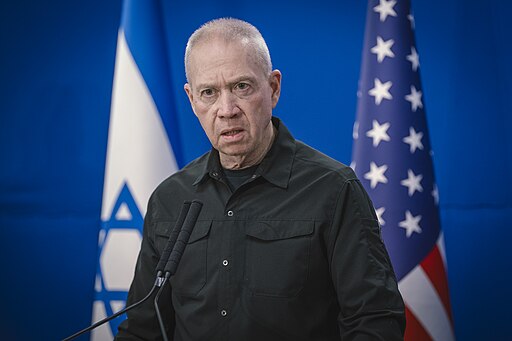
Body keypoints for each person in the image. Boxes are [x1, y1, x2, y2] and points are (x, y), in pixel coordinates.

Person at [115, 18, 405, 341]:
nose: (226, 110)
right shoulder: (169, 200)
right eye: (209, 92)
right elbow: (141, 331)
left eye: (241, 87)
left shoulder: (335, 191)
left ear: (273, 88)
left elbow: (377, 322)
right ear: (192, 100)